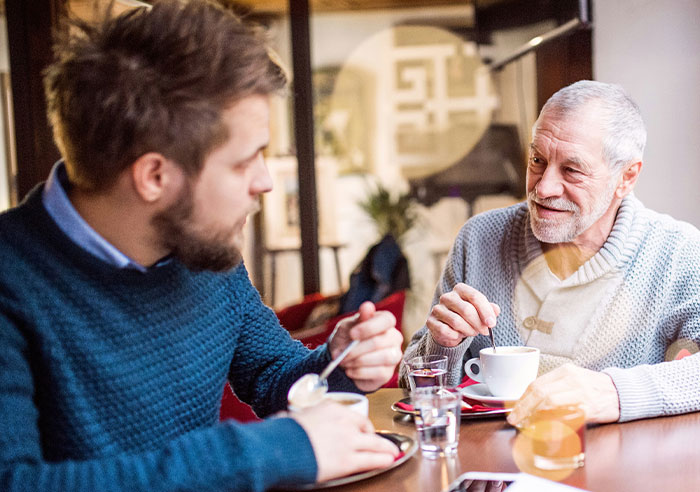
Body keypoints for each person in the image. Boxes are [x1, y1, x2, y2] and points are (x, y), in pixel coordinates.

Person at [0, 1, 404, 491]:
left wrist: (338, 365)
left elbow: (275, 374)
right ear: (154, 176)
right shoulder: (12, 279)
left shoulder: (205, 250)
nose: (265, 182)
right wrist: (273, 450)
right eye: (245, 161)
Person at [400, 80, 700, 426]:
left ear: (626, 177)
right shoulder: (479, 238)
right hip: (494, 471)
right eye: (537, 160)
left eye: (572, 170)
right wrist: (442, 345)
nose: (543, 187)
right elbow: (410, 385)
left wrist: (613, 393)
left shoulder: (679, 254)